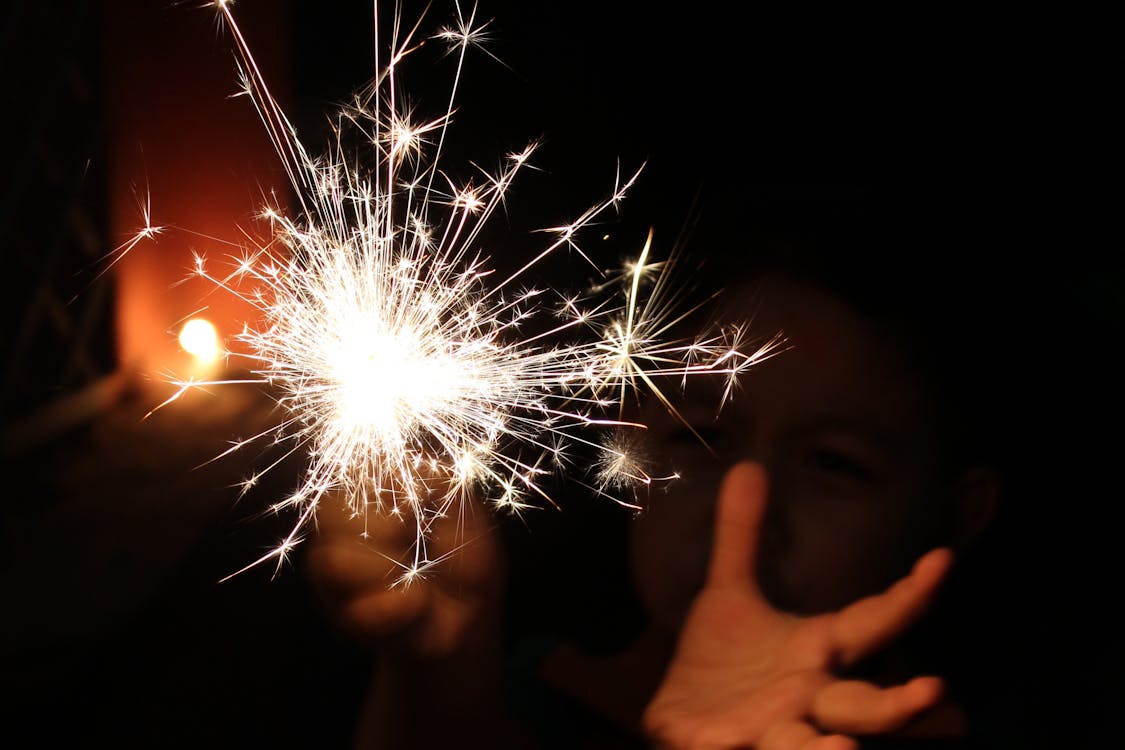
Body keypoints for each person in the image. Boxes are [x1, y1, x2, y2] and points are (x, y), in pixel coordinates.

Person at [304, 187, 1030, 749]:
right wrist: (438, 675)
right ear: (631, 443)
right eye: (701, 434)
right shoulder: (540, 696)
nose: (740, 509)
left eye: (833, 463)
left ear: (957, 511)